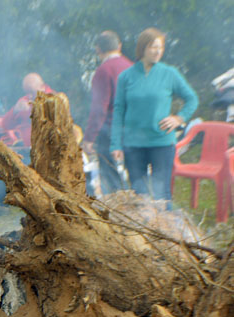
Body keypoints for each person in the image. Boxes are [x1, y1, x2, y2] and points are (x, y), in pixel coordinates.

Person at [110, 28, 199, 203]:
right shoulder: (126, 77)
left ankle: (166, 230)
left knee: (162, 195)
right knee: (137, 194)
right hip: (133, 145)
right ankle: (139, 230)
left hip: (161, 143)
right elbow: (118, 110)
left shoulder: (169, 73)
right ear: (142, 48)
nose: (158, 51)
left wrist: (179, 118)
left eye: (161, 47)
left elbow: (192, 99)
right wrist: (115, 144)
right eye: (153, 47)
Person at [82, 31, 133, 195]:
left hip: (111, 131)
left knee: (111, 176)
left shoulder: (103, 71)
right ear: (119, 46)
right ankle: (141, 212)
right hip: (135, 129)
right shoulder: (132, 67)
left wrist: (89, 138)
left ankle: (118, 211)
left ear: (98, 49)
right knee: (135, 174)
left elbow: (99, 108)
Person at [1, 72, 55, 147]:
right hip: (29, 150)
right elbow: (5, 125)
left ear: (42, 87)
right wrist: (14, 111)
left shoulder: (54, 100)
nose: (29, 96)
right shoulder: (25, 100)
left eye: (32, 92)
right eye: (27, 92)